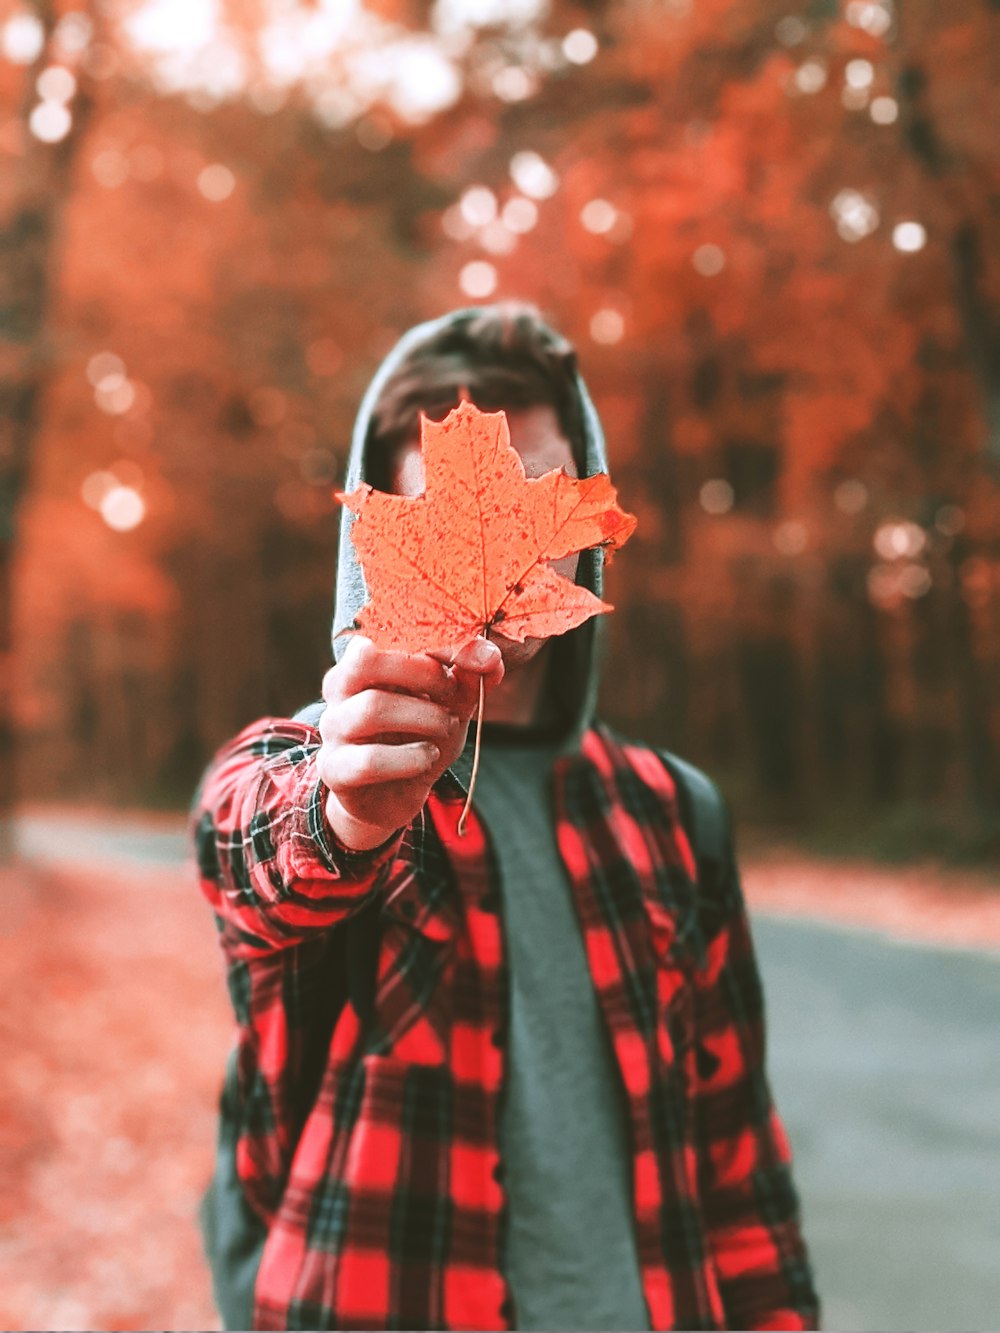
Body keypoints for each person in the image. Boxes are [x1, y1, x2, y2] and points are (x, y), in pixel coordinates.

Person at [192, 304, 820, 1332]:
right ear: (379, 547)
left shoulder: (673, 813)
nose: (503, 547)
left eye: (544, 492)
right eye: (444, 511)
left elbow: (737, 1166)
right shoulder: (314, 765)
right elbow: (253, 848)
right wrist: (348, 813)